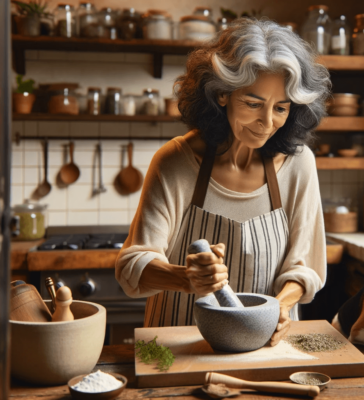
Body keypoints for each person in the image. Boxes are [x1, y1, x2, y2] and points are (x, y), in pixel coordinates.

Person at [115, 18, 330, 346]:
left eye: (281, 108)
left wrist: (282, 308)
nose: (267, 122)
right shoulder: (175, 162)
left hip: (264, 345)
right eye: (253, 103)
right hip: (177, 347)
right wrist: (187, 278)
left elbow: (305, 268)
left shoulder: (298, 165)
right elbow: (132, 265)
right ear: (222, 95)